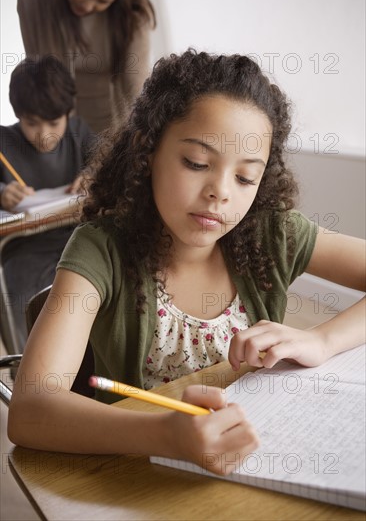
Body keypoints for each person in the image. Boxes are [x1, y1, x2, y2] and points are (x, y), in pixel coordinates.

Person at [8, 50, 365, 475]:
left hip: (257, 461)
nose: (221, 192)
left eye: (245, 176)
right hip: (144, 476)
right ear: (148, 150)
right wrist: (167, 436)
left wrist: (322, 341)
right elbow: (29, 410)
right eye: (197, 163)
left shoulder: (271, 233)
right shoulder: (100, 250)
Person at [0, 55, 94, 346]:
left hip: (78, 239)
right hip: (23, 249)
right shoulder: (3, 143)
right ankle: (29, 371)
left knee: (94, 292)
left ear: (68, 112)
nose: (44, 135)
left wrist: (93, 174)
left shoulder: (79, 133)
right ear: (18, 115)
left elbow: (107, 165)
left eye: (54, 123)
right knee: (34, 316)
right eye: (31, 124)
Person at [17, 0, 156, 133]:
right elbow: (38, 71)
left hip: (111, 125)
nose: (88, 5)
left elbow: (135, 86)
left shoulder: (134, 12)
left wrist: (142, 135)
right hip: (56, 123)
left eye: (102, 1)